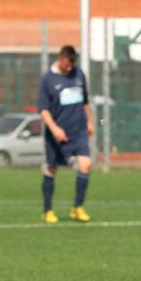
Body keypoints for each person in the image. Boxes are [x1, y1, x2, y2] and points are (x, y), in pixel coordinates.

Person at [38, 45, 94, 223]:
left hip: (79, 130)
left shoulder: (79, 74)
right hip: (57, 133)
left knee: (86, 164)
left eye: (72, 64)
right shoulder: (48, 79)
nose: (70, 68)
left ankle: (77, 207)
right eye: (67, 64)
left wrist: (90, 121)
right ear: (61, 59)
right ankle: (47, 210)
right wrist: (54, 128)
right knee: (51, 169)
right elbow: (43, 109)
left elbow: (85, 101)